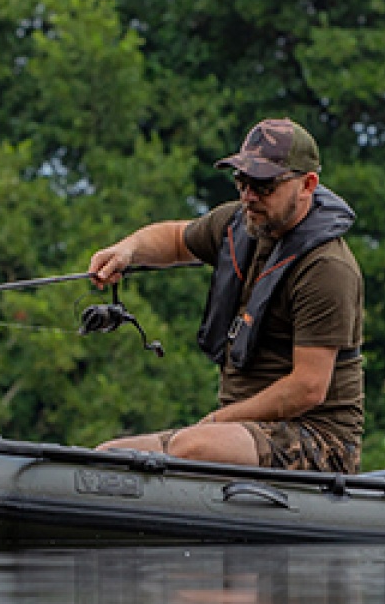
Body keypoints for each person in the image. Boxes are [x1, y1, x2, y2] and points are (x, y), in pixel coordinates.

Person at [88, 118, 364, 472]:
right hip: (237, 431)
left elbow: (308, 388)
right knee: (105, 456)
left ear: (307, 184)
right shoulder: (241, 222)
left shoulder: (326, 268)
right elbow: (175, 239)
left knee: (195, 445)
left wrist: (218, 422)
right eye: (242, 181)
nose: (249, 196)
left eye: (264, 185)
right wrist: (127, 251)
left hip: (319, 439)